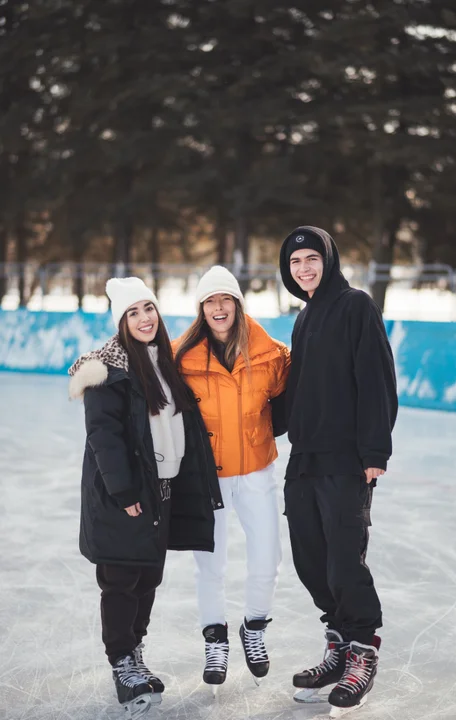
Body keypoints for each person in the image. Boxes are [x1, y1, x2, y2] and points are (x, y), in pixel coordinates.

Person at [68, 277, 222, 719]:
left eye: (148, 309)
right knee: (120, 579)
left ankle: (135, 653)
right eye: (133, 313)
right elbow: (104, 436)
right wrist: (124, 491)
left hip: (163, 489)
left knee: (147, 578)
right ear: (121, 321)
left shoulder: (164, 362)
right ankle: (121, 660)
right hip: (127, 494)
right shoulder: (106, 370)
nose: (144, 319)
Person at [278, 227, 398, 716]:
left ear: (329, 260)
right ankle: (338, 644)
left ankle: (362, 649)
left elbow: (376, 379)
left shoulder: (355, 306)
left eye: (311, 258)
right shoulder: (304, 318)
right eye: (295, 262)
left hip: (346, 459)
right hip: (304, 457)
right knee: (311, 558)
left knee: (345, 559)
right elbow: (297, 390)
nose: (304, 268)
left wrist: (374, 452)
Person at [173, 265, 290, 690]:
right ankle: (215, 637)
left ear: (238, 304)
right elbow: (139, 369)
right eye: (209, 301)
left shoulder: (271, 354)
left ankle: (253, 627)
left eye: (225, 299)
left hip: (258, 469)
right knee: (211, 564)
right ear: (201, 309)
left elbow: (298, 392)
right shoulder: (180, 358)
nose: (218, 307)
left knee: (267, 558)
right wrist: (95, 364)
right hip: (208, 477)